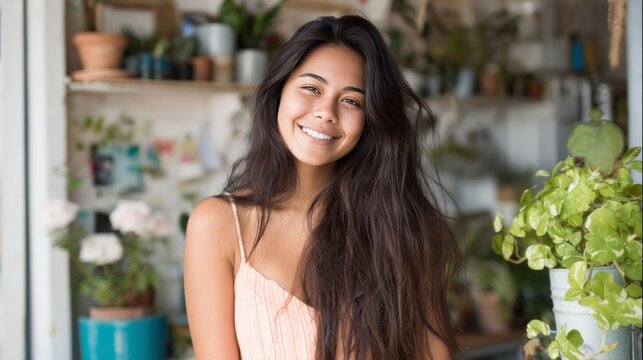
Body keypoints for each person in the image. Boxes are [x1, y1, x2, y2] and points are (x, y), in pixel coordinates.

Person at [184, 15, 461, 360]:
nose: (327, 112)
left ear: (371, 119)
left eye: (351, 101)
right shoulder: (219, 225)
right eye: (311, 88)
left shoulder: (401, 227)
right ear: (279, 93)